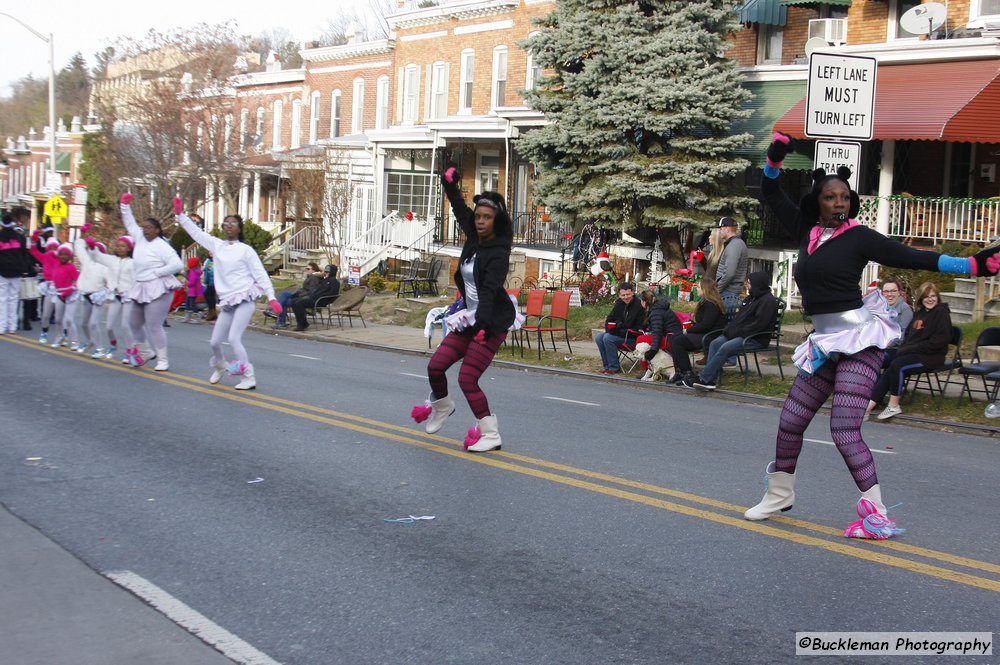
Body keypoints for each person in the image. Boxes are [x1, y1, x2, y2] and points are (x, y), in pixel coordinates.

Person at [743, 132, 1000, 539]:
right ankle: (779, 494)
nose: (839, 203)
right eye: (831, 197)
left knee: (844, 428)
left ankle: (876, 515)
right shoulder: (806, 230)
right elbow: (770, 189)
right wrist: (775, 155)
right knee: (791, 420)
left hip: (860, 342)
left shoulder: (858, 237)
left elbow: (910, 255)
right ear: (818, 201)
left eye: (845, 197)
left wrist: (970, 265)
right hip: (826, 342)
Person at [410, 164, 519, 453]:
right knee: (435, 366)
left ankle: (490, 433)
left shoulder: (498, 253)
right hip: (470, 316)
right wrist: (449, 185)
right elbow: (459, 209)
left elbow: (487, 292)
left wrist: (482, 327)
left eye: (487, 217)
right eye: (479, 217)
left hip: (490, 322)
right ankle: (443, 406)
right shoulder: (474, 237)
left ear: (496, 221)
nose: (480, 221)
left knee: (468, 378)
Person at [174, 200, 280, 390]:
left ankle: (249, 376)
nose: (229, 227)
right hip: (228, 301)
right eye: (226, 224)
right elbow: (196, 233)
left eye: (233, 224)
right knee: (214, 342)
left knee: (233, 338)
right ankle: (221, 365)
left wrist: (271, 296)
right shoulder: (217, 245)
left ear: (239, 229)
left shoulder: (246, 250)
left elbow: (260, 274)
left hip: (245, 299)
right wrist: (181, 216)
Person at [866, 282, 952, 420]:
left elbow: (939, 341)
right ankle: (869, 407)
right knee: (893, 367)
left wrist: (909, 349)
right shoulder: (920, 313)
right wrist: (905, 349)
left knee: (897, 366)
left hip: (932, 357)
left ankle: (894, 405)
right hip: (915, 354)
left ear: (938, 297)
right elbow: (909, 337)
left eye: (933, 296)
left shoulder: (941, 313)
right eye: (926, 297)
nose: (930, 299)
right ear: (921, 299)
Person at [681, 271, 778, 391]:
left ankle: (704, 379)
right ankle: (710, 378)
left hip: (755, 338)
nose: (747, 286)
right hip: (739, 334)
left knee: (725, 347)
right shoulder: (750, 298)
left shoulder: (767, 301)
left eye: (749, 283)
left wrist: (736, 332)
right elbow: (739, 319)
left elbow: (759, 325)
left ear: (758, 284)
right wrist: (730, 330)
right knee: (715, 343)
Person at [118, 193, 183, 370]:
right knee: (134, 323)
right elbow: (129, 222)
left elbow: (178, 264)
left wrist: (158, 272)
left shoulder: (162, 245)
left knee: (154, 325)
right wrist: (125, 206)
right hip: (140, 285)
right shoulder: (139, 238)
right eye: (143, 227)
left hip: (158, 287)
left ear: (157, 230)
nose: (144, 230)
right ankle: (145, 351)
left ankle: (163, 360)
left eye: (148, 228)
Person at [668, 277, 727, 384]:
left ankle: (687, 372)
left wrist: (689, 330)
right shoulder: (706, 302)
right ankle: (679, 371)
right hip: (704, 333)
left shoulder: (711, 304)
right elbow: (703, 323)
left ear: (705, 289)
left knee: (678, 341)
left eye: (699, 287)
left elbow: (706, 325)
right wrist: (692, 325)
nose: (697, 289)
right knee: (674, 338)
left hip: (710, 336)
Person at [29, 242, 80, 349]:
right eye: (61, 254)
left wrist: (72, 288)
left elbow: (77, 280)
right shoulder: (55, 263)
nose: (63, 256)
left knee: (69, 319)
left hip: (69, 295)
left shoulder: (71, 267)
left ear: (70, 256)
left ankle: (74, 342)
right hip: (57, 293)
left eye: (66, 254)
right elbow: (39, 254)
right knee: (57, 319)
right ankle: (59, 337)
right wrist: (34, 242)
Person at [593, 282, 645, 375]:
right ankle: (607, 366)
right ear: (619, 295)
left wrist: (618, 327)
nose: (626, 297)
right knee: (599, 337)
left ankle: (614, 368)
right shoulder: (619, 303)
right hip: (619, 334)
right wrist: (616, 326)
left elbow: (636, 327)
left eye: (628, 294)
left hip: (633, 338)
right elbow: (610, 319)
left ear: (633, 292)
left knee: (608, 338)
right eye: (623, 295)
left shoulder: (639, 305)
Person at [74, 235, 113, 356]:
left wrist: (106, 292)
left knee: (93, 323)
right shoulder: (86, 262)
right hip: (86, 296)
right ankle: (91, 340)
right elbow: (79, 248)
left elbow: (111, 283)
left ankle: (99, 348)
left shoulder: (105, 268)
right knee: (83, 323)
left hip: (97, 297)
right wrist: (83, 236)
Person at [638, 289, 683, 380]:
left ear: (643, 302)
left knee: (641, 339)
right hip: (674, 336)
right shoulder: (659, 308)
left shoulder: (655, 313)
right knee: (645, 338)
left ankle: (646, 367)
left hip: (671, 339)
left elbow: (657, 333)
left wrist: (652, 351)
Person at [0, 212, 29, 334]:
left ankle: (2, 326)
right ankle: (12, 326)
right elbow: (24, 254)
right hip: (17, 271)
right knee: (14, 298)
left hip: (2, 271)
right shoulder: (20, 237)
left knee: (2, 299)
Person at [714, 217, 748, 317]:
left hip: (728, 293)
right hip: (730, 292)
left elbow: (729, 273)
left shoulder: (734, 246)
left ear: (726, 229)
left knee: (725, 324)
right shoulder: (736, 244)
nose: (719, 232)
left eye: (720, 229)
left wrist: (717, 289)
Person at [291, 264, 340, 332]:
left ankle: (302, 324)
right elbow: (316, 289)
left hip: (322, 300)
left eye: (327, 272)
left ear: (332, 272)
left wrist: (319, 295)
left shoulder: (335, 282)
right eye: (325, 271)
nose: (326, 273)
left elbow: (332, 294)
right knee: (294, 301)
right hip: (314, 298)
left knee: (299, 303)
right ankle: (302, 322)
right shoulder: (325, 280)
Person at [273, 262, 321, 328]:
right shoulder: (310, 277)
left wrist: (300, 294)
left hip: (303, 298)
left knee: (284, 299)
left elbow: (312, 291)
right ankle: (280, 320)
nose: (306, 270)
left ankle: (279, 318)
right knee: (284, 296)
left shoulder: (314, 278)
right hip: (300, 295)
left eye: (308, 269)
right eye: (306, 268)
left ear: (314, 270)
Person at [878, 278, 913, 367]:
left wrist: (884, 345)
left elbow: (902, 336)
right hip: (879, 348)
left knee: (872, 360)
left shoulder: (905, 309)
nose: (889, 294)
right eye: (886, 291)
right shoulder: (880, 308)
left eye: (893, 291)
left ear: (899, 292)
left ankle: (880, 380)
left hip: (896, 351)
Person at [183, 256, 204, 323]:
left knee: (191, 303)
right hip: (194, 290)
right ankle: (188, 317)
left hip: (193, 290)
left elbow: (192, 282)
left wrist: (186, 283)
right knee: (188, 303)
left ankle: (197, 316)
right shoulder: (195, 271)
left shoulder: (193, 272)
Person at [202, 252, 218, 322]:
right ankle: (212, 312)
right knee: (209, 295)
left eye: (212, 251)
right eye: (209, 251)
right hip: (209, 281)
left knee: (208, 294)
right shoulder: (208, 261)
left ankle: (212, 313)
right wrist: (205, 281)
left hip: (215, 282)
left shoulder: (217, 261)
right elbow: (205, 270)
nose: (210, 252)